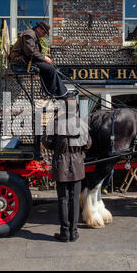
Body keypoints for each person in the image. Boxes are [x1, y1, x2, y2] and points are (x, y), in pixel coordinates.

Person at [41, 99, 91, 242]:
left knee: (63, 200)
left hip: (60, 164)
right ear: (75, 109)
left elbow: (46, 142)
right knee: (74, 200)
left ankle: (64, 233)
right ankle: (74, 233)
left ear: (63, 109)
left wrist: (58, 148)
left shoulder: (55, 123)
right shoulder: (82, 123)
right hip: (77, 165)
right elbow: (88, 144)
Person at [9, 21, 78, 99]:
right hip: (20, 61)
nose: (44, 35)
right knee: (50, 68)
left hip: (27, 60)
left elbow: (33, 53)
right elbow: (30, 52)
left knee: (51, 67)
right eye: (44, 32)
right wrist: (44, 58)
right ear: (39, 29)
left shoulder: (33, 36)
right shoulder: (29, 35)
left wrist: (44, 58)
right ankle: (56, 93)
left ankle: (59, 92)